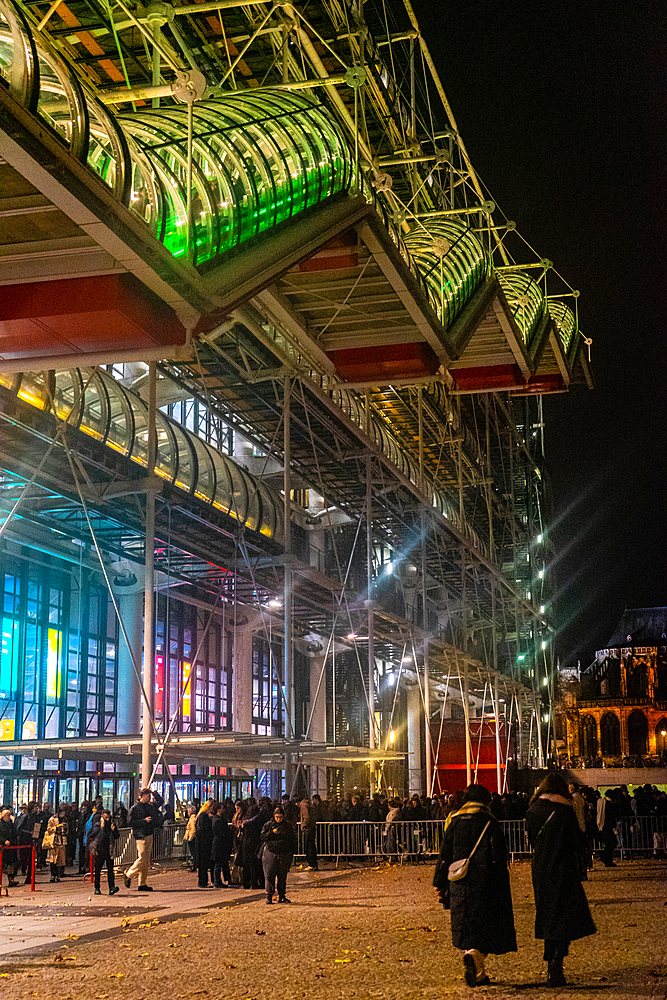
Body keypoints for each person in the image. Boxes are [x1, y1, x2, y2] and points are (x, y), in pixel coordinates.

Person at [433, 784, 516, 987]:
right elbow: (498, 855)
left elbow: (445, 854)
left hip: (459, 881)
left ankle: (478, 970)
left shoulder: (455, 821)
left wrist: (439, 882)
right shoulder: (490, 823)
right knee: (487, 926)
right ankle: (475, 957)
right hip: (485, 882)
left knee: (466, 924)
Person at [525, 773, 596, 987]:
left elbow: (531, 839)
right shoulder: (565, 810)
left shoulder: (533, 810)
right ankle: (557, 960)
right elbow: (575, 839)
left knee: (547, 912)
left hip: (541, 867)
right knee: (565, 915)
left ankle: (550, 958)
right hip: (563, 867)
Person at [123, 788, 162, 891]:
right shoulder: (135, 808)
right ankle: (129, 873)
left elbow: (160, 802)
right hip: (141, 835)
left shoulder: (150, 806)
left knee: (146, 860)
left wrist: (155, 793)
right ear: (143, 796)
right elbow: (131, 822)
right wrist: (144, 821)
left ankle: (142, 883)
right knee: (142, 857)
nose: (150, 798)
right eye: (148, 796)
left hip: (149, 833)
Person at [260, 804, 298, 905]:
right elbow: (262, 837)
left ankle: (282, 895)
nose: (279, 819)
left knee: (282, 876)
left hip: (284, 853)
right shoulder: (268, 825)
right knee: (269, 875)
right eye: (277, 817)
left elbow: (292, 839)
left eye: (281, 817)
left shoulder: (287, 826)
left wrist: (292, 853)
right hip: (271, 852)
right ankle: (269, 896)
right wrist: (271, 833)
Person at [87, 808, 120, 895]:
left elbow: (117, 836)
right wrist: (102, 827)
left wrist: (113, 829)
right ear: (102, 817)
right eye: (105, 817)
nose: (107, 819)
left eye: (108, 817)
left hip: (109, 849)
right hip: (99, 849)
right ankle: (97, 887)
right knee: (98, 869)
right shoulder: (98, 825)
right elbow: (96, 836)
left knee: (110, 870)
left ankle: (111, 887)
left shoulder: (112, 824)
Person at [210, 801, 233, 887]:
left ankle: (223, 880)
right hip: (219, 843)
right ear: (218, 809)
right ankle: (217, 881)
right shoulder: (217, 820)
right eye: (222, 808)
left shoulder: (221, 819)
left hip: (222, 843)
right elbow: (220, 832)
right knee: (218, 863)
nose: (224, 810)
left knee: (222, 862)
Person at [43, 811, 68, 882]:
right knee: (53, 858)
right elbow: (49, 829)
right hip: (54, 841)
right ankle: (53, 875)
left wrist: (65, 828)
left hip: (62, 841)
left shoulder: (65, 819)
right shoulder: (52, 819)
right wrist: (57, 827)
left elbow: (67, 830)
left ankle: (58, 874)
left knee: (60, 859)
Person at [195, 800, 214, 888]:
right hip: (203, 843)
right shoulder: (204, 816)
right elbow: (204, 829)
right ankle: (202, 881)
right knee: (203, 862)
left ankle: (203, 881)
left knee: (203, 863)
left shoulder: (201, 815)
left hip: (202, 842)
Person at [0, 808, 18, 888]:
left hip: (11, 846)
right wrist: (4, 841)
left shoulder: (11, 824)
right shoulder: (1, 824)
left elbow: (14, 833)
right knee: (4, 864)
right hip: (3, 847)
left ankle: (11, 880)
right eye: (8, 815)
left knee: (12, 863)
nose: (9, 816)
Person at [299, 795, 318, 871]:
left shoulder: (303, 806)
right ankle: (312, 863)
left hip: (308, 828)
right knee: (311, 845)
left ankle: (311, 864)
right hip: (311, 827)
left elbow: (306, 817)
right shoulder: (310, 805)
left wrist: (303, 825)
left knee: (309, 846)